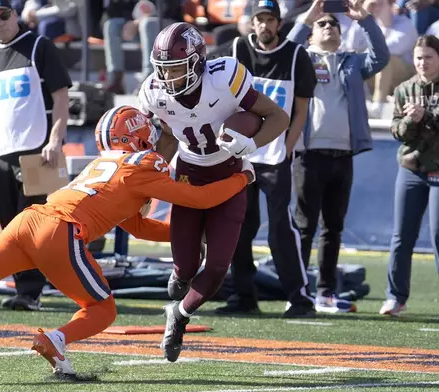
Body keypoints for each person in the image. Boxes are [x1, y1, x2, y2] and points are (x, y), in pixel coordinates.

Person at [0, 105, 256, 376]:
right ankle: (55, 338)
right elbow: (201, 198)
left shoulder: (108, 164)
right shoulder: (142, 166)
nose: (155, 136)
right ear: (137, 135)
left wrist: (181, 238)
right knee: (102, 309)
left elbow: (136, 226)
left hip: (31, 221)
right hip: (59, 231)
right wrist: (242, 177)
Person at [138, 22, 289, 362]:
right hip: (189, 177)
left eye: (176, 69)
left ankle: (179, 316)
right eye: (163, 70)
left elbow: (277, 117)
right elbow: (164, 138)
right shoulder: (154, 92)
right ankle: (180, 278)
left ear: (196, 62)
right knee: (185, 266)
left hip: (229, 176)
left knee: (219, 264)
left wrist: (250, 143)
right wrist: (147, 185)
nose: (168, 79)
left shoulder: (224, 77)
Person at [211, 0, 318, 318]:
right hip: (240, 156)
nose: (265, 25)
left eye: (271, 19)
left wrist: (288, 147)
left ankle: (300, 298)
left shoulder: (296, 55)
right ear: (252, 23)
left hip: (275, 155)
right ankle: (244, 296)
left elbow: (301, 109)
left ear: (279, 23)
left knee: (281, 230)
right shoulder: (237, 50)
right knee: (239, 226)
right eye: (260, 19)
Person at [288, 0, 389, 313]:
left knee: (333, 228)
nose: (329, 26)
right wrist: (307, 18)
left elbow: (381, 57)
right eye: (323, 24)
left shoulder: (351, 62)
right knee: (305, 228)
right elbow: (283, 52)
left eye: (333, 23)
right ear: (311, 34)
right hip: (309, 154)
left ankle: (326, 293)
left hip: (343, 155)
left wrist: (366, 21)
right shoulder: (300, 58)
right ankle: (299, 291)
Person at [0, 0, 71, 311]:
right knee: (10, 226)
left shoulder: (38, 46)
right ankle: (24, 290)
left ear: (15, 15)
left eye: (4, 16)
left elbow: (61, 97)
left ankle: (34, 291)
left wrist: (55, 140)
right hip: (3, 153)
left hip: (38, 150)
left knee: (40, 226)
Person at [382, 35, 439, 317]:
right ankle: (395, 297)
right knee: (402, 235)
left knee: (438, 234)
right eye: (418, 57)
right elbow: (396, 131)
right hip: (411, 168)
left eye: (428, 57)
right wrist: (409, 120)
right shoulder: (405, 89)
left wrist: (426, 115)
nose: (422, 62)